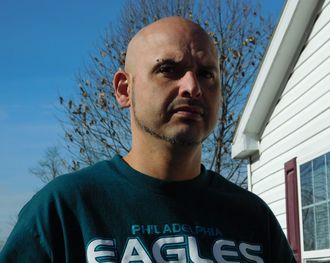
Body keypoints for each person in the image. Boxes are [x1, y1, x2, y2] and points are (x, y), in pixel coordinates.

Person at [0, 17, 296, 262]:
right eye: (168, 70)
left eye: (207, 74)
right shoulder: (64, 211)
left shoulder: (254, 219)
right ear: (124, 89)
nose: (192, 87)